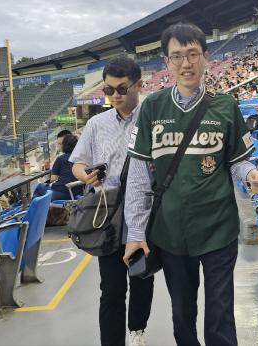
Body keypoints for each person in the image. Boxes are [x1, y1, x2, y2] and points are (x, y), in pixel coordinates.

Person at [123, 22, 258, 346]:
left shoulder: (226, 106)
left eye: (192, 55)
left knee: (219, 314)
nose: (185, 63)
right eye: (177, 56)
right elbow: (138, 176)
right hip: (170, 233)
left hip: (218, 227)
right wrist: (135, 233)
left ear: (205, 58)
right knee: (182, 314)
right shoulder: (152, 108)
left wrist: (250, 175)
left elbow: (237, 161)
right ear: (167, 63)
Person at [69, 57, 154, 346]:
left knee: (142, 280)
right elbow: (77, 163)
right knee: (112, 288)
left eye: (122, 88)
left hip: (144, 212)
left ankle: (137, 331)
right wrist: (87, 176)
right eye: (108, 90)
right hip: (107, 216)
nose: (115, 96)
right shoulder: (96, 123)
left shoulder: (152, 118)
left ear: (139, 85)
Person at [50, 135, 85, 201]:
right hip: (78, 193)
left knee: (39, 187)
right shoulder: (82, 158)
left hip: (61, 193)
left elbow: (53, 178)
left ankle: (33, 209)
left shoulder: (60, 159)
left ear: (64, 145)